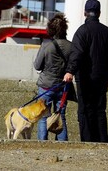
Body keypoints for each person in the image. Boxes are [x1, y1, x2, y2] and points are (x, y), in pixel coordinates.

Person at [63, 0, 108, 142]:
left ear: (85, 12)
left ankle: (87, 140)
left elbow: (77, 54)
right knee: (100, 110)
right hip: (102, 79)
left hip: (85, 78)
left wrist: (70, 71)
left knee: (85, 110)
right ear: (99, 13)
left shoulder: (82, 31)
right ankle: (102, 140)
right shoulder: (107, 33)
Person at [34, 13, 72, 141]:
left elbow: (37, 66)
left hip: (46, 86)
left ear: (50, 29)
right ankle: (62, 144)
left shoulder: (46, 45)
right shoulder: (71, 46)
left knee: (43, 116)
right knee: (61, 115)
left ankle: (42, 144)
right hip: (63, 86)